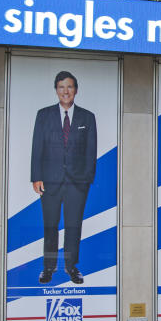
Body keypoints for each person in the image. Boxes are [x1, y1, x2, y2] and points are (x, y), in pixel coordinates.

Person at [31, 70, 97, 285]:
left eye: (69, 87)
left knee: (73, 226)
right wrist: (36, 177)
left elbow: (91, 150)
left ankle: (71, 267)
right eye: (61, 87)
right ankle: (48, 268)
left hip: (77, 183)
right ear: (56, 90)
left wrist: (87, 178)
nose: (65, 91)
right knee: (50, 225)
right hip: (49, 181)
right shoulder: (44, 115)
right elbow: (37, 147)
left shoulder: (87, 117)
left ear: (75, 90)